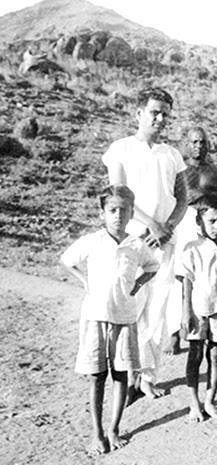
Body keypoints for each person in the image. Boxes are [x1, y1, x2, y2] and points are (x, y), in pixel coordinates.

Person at [102, 87, 188, 400]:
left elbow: (182, 198)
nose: (160, 118)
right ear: (139, 113)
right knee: (129, 305)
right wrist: (150, 223)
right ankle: (124, 377)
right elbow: (117, 194)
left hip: (164, 239)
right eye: (154, 112)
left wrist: (168, 226)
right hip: (131, 239)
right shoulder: (120, 149)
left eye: (165, 113)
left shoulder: (171, 154)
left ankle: (148, 376)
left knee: (159, 308)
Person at [60, 185, 159, 456]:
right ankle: (97, 433)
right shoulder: (92, 241)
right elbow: (67, 260)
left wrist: (138, 284)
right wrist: (84, 281)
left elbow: (153, 266)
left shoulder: (136, 244)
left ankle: (114, 428)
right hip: (95, 318)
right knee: (96, 377)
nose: (118, 215)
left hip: (124, 318)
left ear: (131, 214)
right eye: (112, 210)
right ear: (101, 212)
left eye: (124, 211)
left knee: (120, 374)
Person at [166, 127, 217, 355]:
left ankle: (207, 330)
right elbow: (169, 198)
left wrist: (213, 213)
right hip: (183, 223)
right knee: (180, 279)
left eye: (203, 142)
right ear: (186, 143)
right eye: (194, 142)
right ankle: (175, 333)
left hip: (207, 224)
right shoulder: (179, 169)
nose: (199, 146)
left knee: (207, 278)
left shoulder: (216, 171)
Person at [178, 194, 217, 422]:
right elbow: (186, 282)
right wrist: (186, 313)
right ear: (199, 221)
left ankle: (210, 400)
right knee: (195, 355)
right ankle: (194, 403)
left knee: (215, 355)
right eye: (212, 221)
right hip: (198, 310)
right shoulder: (192, 248)